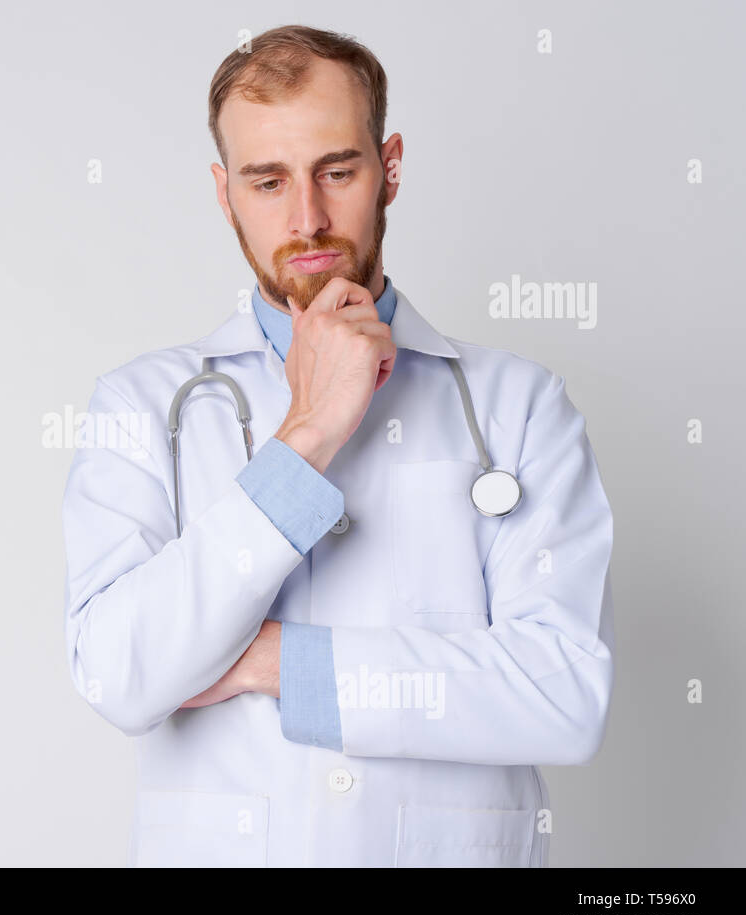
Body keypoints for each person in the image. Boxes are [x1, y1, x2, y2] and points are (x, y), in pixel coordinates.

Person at [60, 24, 615, 867]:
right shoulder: (141, 406)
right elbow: (120, 673)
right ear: (224, 192)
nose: (308, 217)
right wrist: (306, 433)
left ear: (390, 165)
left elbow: (565, 694)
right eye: (268, 180)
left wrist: (282, 662)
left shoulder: (519, 406)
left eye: (338, 171)